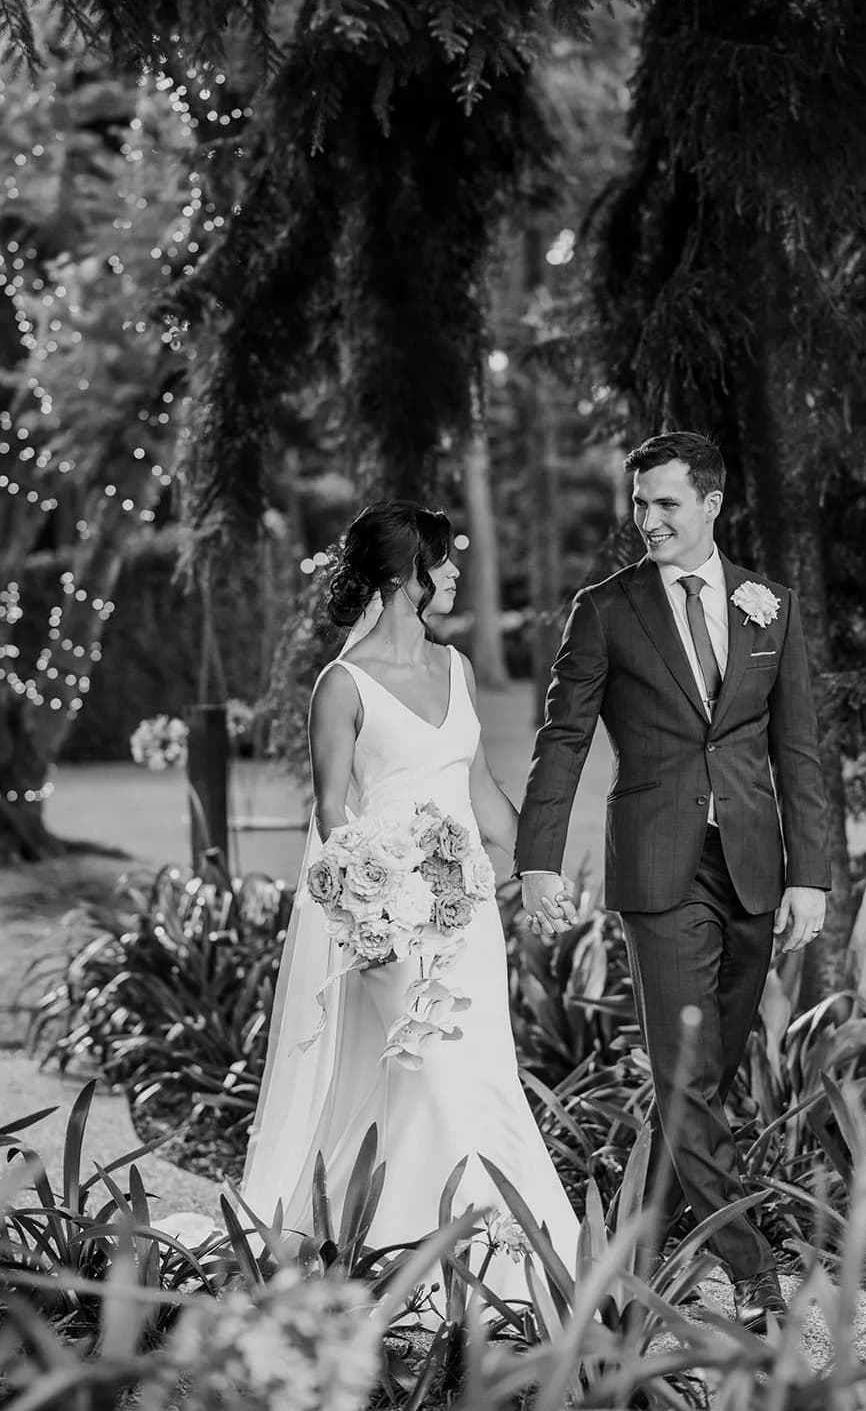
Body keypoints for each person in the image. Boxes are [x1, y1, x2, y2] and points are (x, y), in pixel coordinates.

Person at [514, 430, 831, 1333]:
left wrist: (808, 877)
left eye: (665, 504)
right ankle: (752, 1269)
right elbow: (563, 738)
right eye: (639, 503)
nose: (646, 519)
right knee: (686, 1074)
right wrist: (538, 857)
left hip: (755, 870)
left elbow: (795, 748)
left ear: (711, 505)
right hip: (657, 868)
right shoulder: (606, 610)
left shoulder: (770, 606)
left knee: (705, 1075)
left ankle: (636, 1251)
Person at [241, 501, 578, 1293]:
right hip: (386, 922)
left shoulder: (455, 667)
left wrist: (540, 863)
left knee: (479, 1070)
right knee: (429, 1075)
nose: (455, 570)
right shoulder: (342, 684)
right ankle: (436, 1269)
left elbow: (481, 790)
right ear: (402, 573)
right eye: (443, 558)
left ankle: (500, 1257)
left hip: (467, 917)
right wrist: (371, 910)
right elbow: (331, 814)